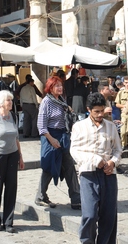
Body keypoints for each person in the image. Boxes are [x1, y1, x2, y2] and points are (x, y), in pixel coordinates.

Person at [70, 92, 122, 244]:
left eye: (102, 110)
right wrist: (95, 160)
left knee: (109, 215)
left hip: (108, 175)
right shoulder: (79, 127)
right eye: (96, 111)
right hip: (88, 174)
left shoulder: (111, 127)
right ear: (89, 110)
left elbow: (118, 150)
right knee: (90, 214)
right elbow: (74, 151)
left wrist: (113, 162)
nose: (100, 114)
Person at [35, 76, 81, 209]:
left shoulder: (61, 100)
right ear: (50, 88)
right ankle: (40, 196)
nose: (60, 88)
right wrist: (52, 140)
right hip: (50, 136)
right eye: (57, 86)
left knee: (69, 167)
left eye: (61, 85)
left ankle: (76, 198)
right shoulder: (46, 102)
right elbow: (41, 126)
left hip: (63, 135)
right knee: (50, 167)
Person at [0, 90, 24, 233]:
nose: (11, 103)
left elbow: (16, 138)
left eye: (11, 100)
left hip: (12, 155)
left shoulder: (13, 116)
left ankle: (9, 221)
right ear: (1, 103)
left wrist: (20, 155)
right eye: (8, 100)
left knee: (11, 187)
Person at [115, 76, 128, 149]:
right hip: (124, 114)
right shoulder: (121, 93)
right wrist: (124, 106)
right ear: (123, 83)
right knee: (123, 131)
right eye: (126, 83)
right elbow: (117, 104)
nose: (127, 84)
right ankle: (123, 144)